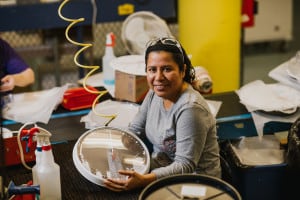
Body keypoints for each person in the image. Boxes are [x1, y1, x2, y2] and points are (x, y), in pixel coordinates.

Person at [104, 37, 221, 192]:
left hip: (196, 183)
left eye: (167, 69)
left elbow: (185, 165)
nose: (158, 77)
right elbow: (135, 130)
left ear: (182, 70)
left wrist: (144, 180)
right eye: (152, 69)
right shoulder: (154, 93)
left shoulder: (190, 108)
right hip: (161, 172)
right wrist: (116, 149)